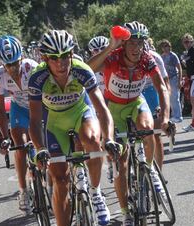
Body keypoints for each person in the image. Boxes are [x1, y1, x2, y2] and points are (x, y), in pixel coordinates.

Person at [28, 30, 120, 226]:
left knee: (93, 141)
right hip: (54, 122)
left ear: (71, 54)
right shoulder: (37, 78)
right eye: (54, 58)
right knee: (60, 182)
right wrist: (40, 149)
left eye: (65, 56)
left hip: (80, 113)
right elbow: (35, 120)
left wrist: (109, 138)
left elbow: (102, 109)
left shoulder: (82, 69)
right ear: (45, 58)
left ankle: (95, 193)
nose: (61, 63)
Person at [88, 21, 170, 226]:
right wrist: (110, 47)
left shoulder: (146, 59)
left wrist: (167, 118)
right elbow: (88, 69)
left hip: (136, 102)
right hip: (113, 108)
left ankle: (149, 170)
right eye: (131, 43)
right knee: (120, 162)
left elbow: (161, 87)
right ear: (123, 44)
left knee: (147, 130)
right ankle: (125, 212)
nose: (136, 48)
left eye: (140, 43)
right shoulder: (113, 57)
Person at [0, 35, 39, 214]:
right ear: (2, 64)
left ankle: (50, 184)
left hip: (39, 106)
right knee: (19, 146)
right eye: (8, 65)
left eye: (15, 63)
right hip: (19, 108)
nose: (13, 68)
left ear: (21, 58)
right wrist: (5, 138)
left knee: (47, 144)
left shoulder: (33, 68)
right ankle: (23, 191)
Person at [88, 35, 115, 184]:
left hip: (115, 101)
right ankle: (110, 163)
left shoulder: (114, 63)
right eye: (95, 51)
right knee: (104, 135)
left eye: (102, 50)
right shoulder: (91, 70)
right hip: (99, 104)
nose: (99, 53)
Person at [142, 37, 170, 169]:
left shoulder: (155, 57)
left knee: (156, 134)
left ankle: (158, 171)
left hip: (153, 90)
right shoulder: (128, 57)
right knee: (140, 134)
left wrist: (164, 106)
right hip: (137, 92)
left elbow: (166, 83)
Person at [160, 39, 183, 123]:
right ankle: (172, 116)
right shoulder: (162, 56)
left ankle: (178, 116)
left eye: (167, 46)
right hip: (166, 79)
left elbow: (179, 68)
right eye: (164, 46)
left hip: (174, 78)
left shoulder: (173, 55)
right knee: (168, 98)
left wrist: (180, 80)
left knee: (175, 98)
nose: (166, 48)